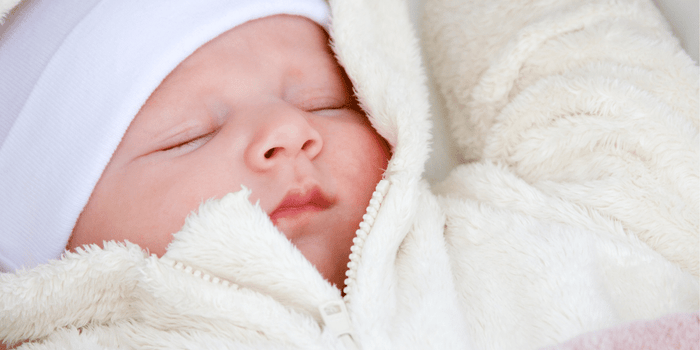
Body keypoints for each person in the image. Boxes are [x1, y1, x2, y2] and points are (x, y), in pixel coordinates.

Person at [1, 0, 697, 349]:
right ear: (45, 239)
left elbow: (586, 73)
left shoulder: (538, 233)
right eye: (190, 137)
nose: (288, 131)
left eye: (325, 103)